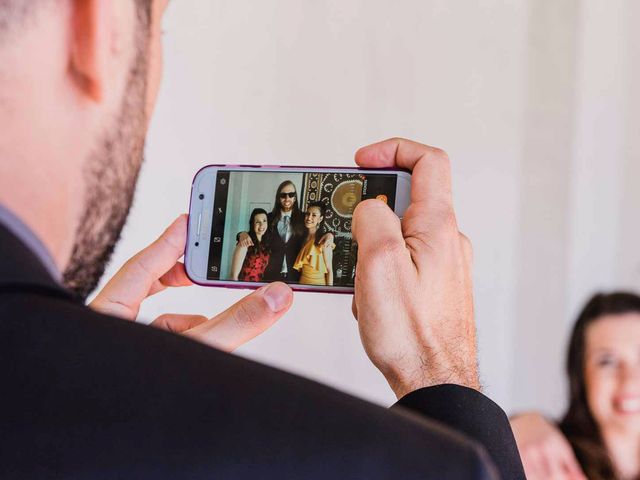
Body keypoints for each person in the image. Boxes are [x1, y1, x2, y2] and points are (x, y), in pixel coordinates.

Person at [0, 1, 525, 478]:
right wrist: (442, 372)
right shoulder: (363, 459)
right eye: (159, 27)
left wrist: (89, 393)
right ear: (99, 25)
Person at [511, 292, 640, 480]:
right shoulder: (542, 462)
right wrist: (512, 430)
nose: (630, 379)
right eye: (607, 361)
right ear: (579, 374)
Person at [294, 202, 334, 286]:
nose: (309, 218)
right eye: (308, 214)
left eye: (314, 215)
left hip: (318, 287)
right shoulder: (301, 237)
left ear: (320, 219)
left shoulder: (324, 240)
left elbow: (329, 270)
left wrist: (329, 293)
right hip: (301, 284)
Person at [230, 208, 270, 282]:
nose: (262, 225)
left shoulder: (265, 244)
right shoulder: (245, 243)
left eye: (264, 221)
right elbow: (233, 276)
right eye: (258, 222)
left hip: (258, 288)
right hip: (244, 288)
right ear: (252, 224)